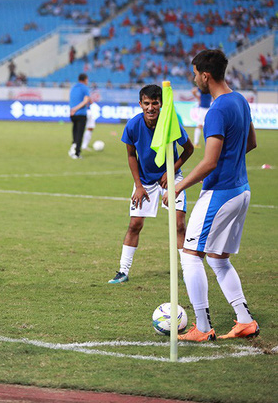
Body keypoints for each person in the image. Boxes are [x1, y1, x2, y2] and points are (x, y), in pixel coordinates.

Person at [163, 49, 258, 342]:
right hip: (241, 190)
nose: (194, 78)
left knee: (191, 256)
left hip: (220, 193)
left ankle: (202, 328)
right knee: (218, 259)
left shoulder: (216, 110)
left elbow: (209, 162)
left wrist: (178, 186)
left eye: (195, 74)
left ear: (205, 75)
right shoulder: (240, 100)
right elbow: (251, 143)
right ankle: (245, 321)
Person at [108, 84, 194, 284]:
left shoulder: (171, 124)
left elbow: (189, 149)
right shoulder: (133, 125)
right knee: (134, 224)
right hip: (145, 182)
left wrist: (170, 172)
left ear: (161, 104)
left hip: (171, 179)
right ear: (140, 104)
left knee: (179, 224)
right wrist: (138, 185)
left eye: (155, 103)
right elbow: (131, 155)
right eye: (146, 103)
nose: (151, 107)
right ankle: (123, 271)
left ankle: (187, 270)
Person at [68, 73, 91, 159]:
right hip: (80, 114)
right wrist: (76, 108)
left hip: (72, 114)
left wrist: (72, 109)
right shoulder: (84, 88)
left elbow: (72, 99)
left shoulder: (73, 87)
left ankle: (73, 147)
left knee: (74, 131)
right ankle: (77, 153)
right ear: (85, 79)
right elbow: (85, 101)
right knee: (79, 134)